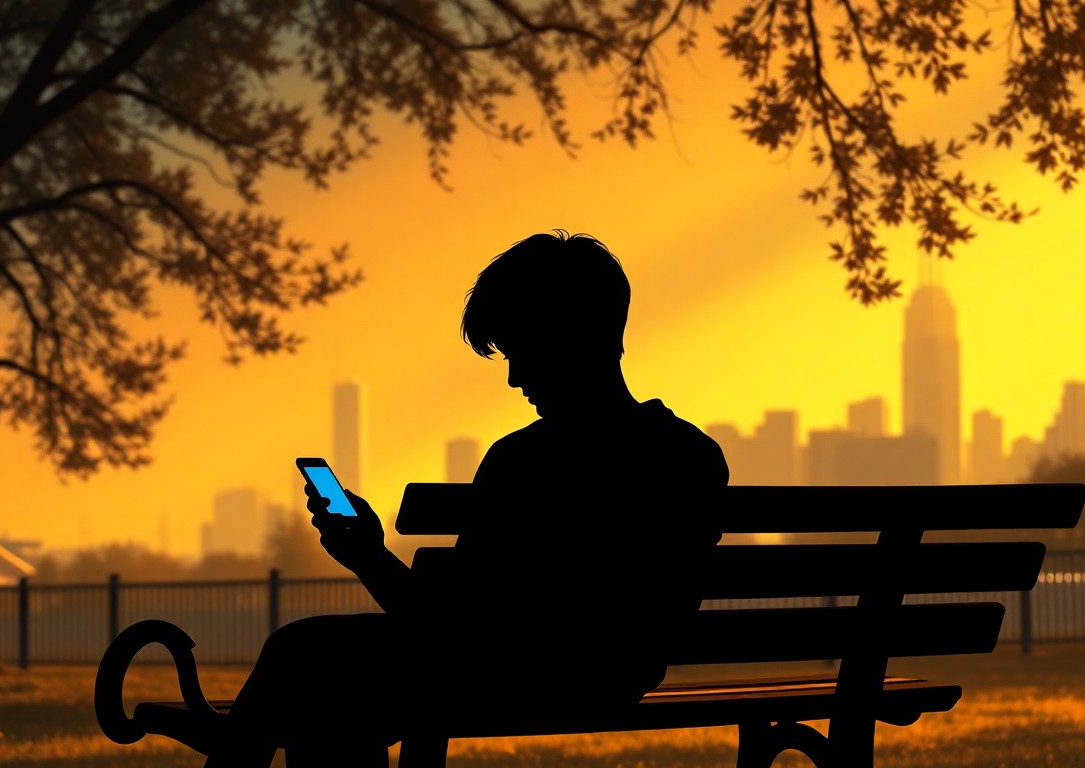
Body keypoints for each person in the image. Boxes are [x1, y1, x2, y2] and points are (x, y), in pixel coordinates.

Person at [214, 231, 728, 767]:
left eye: (521, 350)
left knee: (304, 654)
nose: (514, 377)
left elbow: (445, 630)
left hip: (516, 677)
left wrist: (365, 554)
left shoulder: (525, 461)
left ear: (572, 336)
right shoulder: (693, 453)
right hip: (617, 677)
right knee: (328, 690)